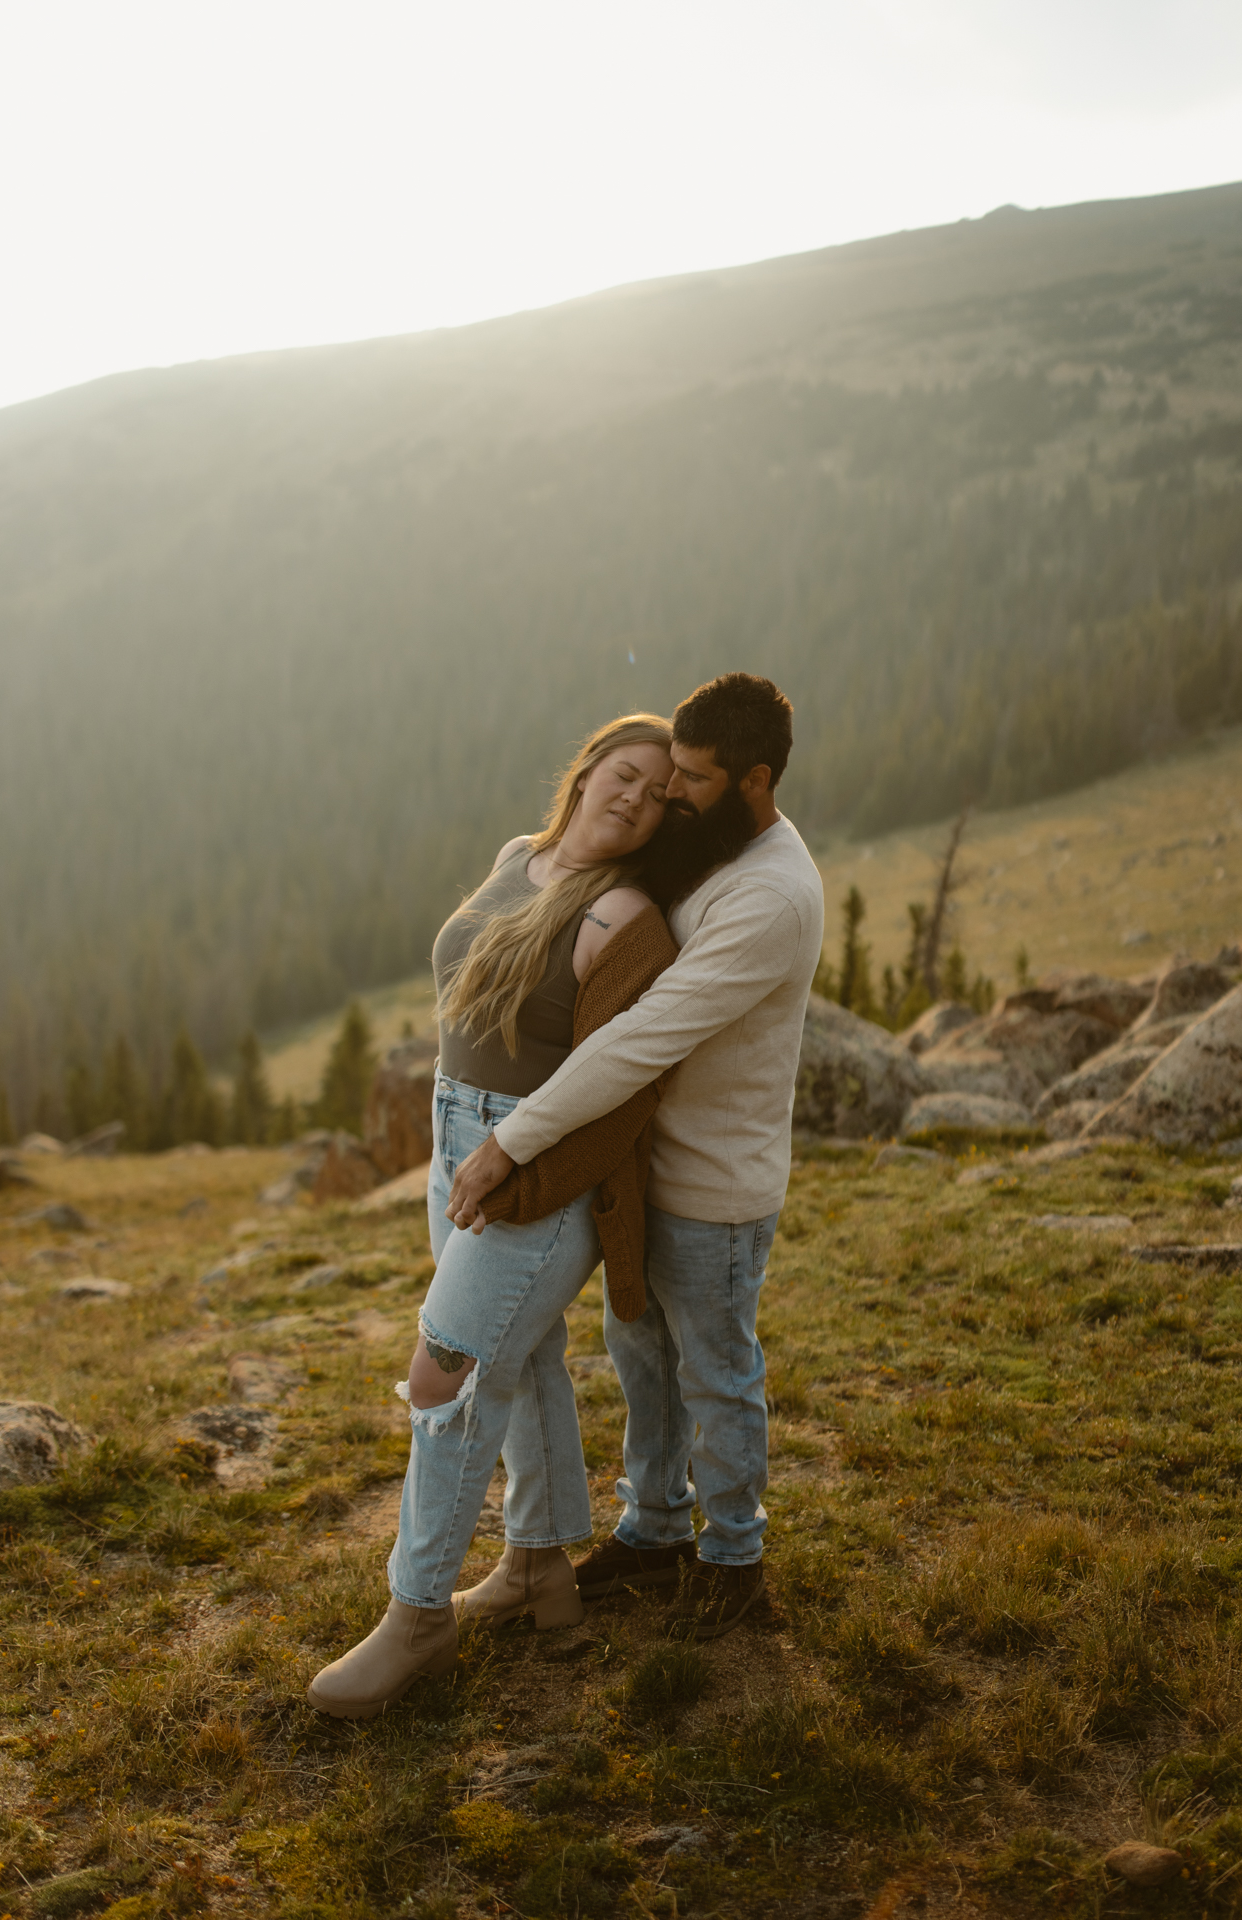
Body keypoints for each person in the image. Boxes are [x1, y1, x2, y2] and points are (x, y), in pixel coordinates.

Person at [307, 713, 682, 1720]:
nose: (637, 798)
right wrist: (459, 1150)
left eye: (659, 796)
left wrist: (513, 1171)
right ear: (590, 767)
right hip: (453, 1134)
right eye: (627, 773)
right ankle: (536, 1569)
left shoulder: (626, 920)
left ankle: (417, 1618)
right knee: (524, 1359)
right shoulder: (518, 857)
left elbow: (620, 1093)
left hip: (531, 1164)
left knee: (449, 1372)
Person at [446, 673, 825, 1642]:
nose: (671, 797)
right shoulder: (710, 847)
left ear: (753, 780)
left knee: (715, 1371)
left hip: (714, 1185)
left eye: (691, 779)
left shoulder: (771, 895)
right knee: (641, 1356)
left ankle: (735, 1563)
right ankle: (655, 1531)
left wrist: (511, 1141)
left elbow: (641, 1038)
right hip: (645, 1168)